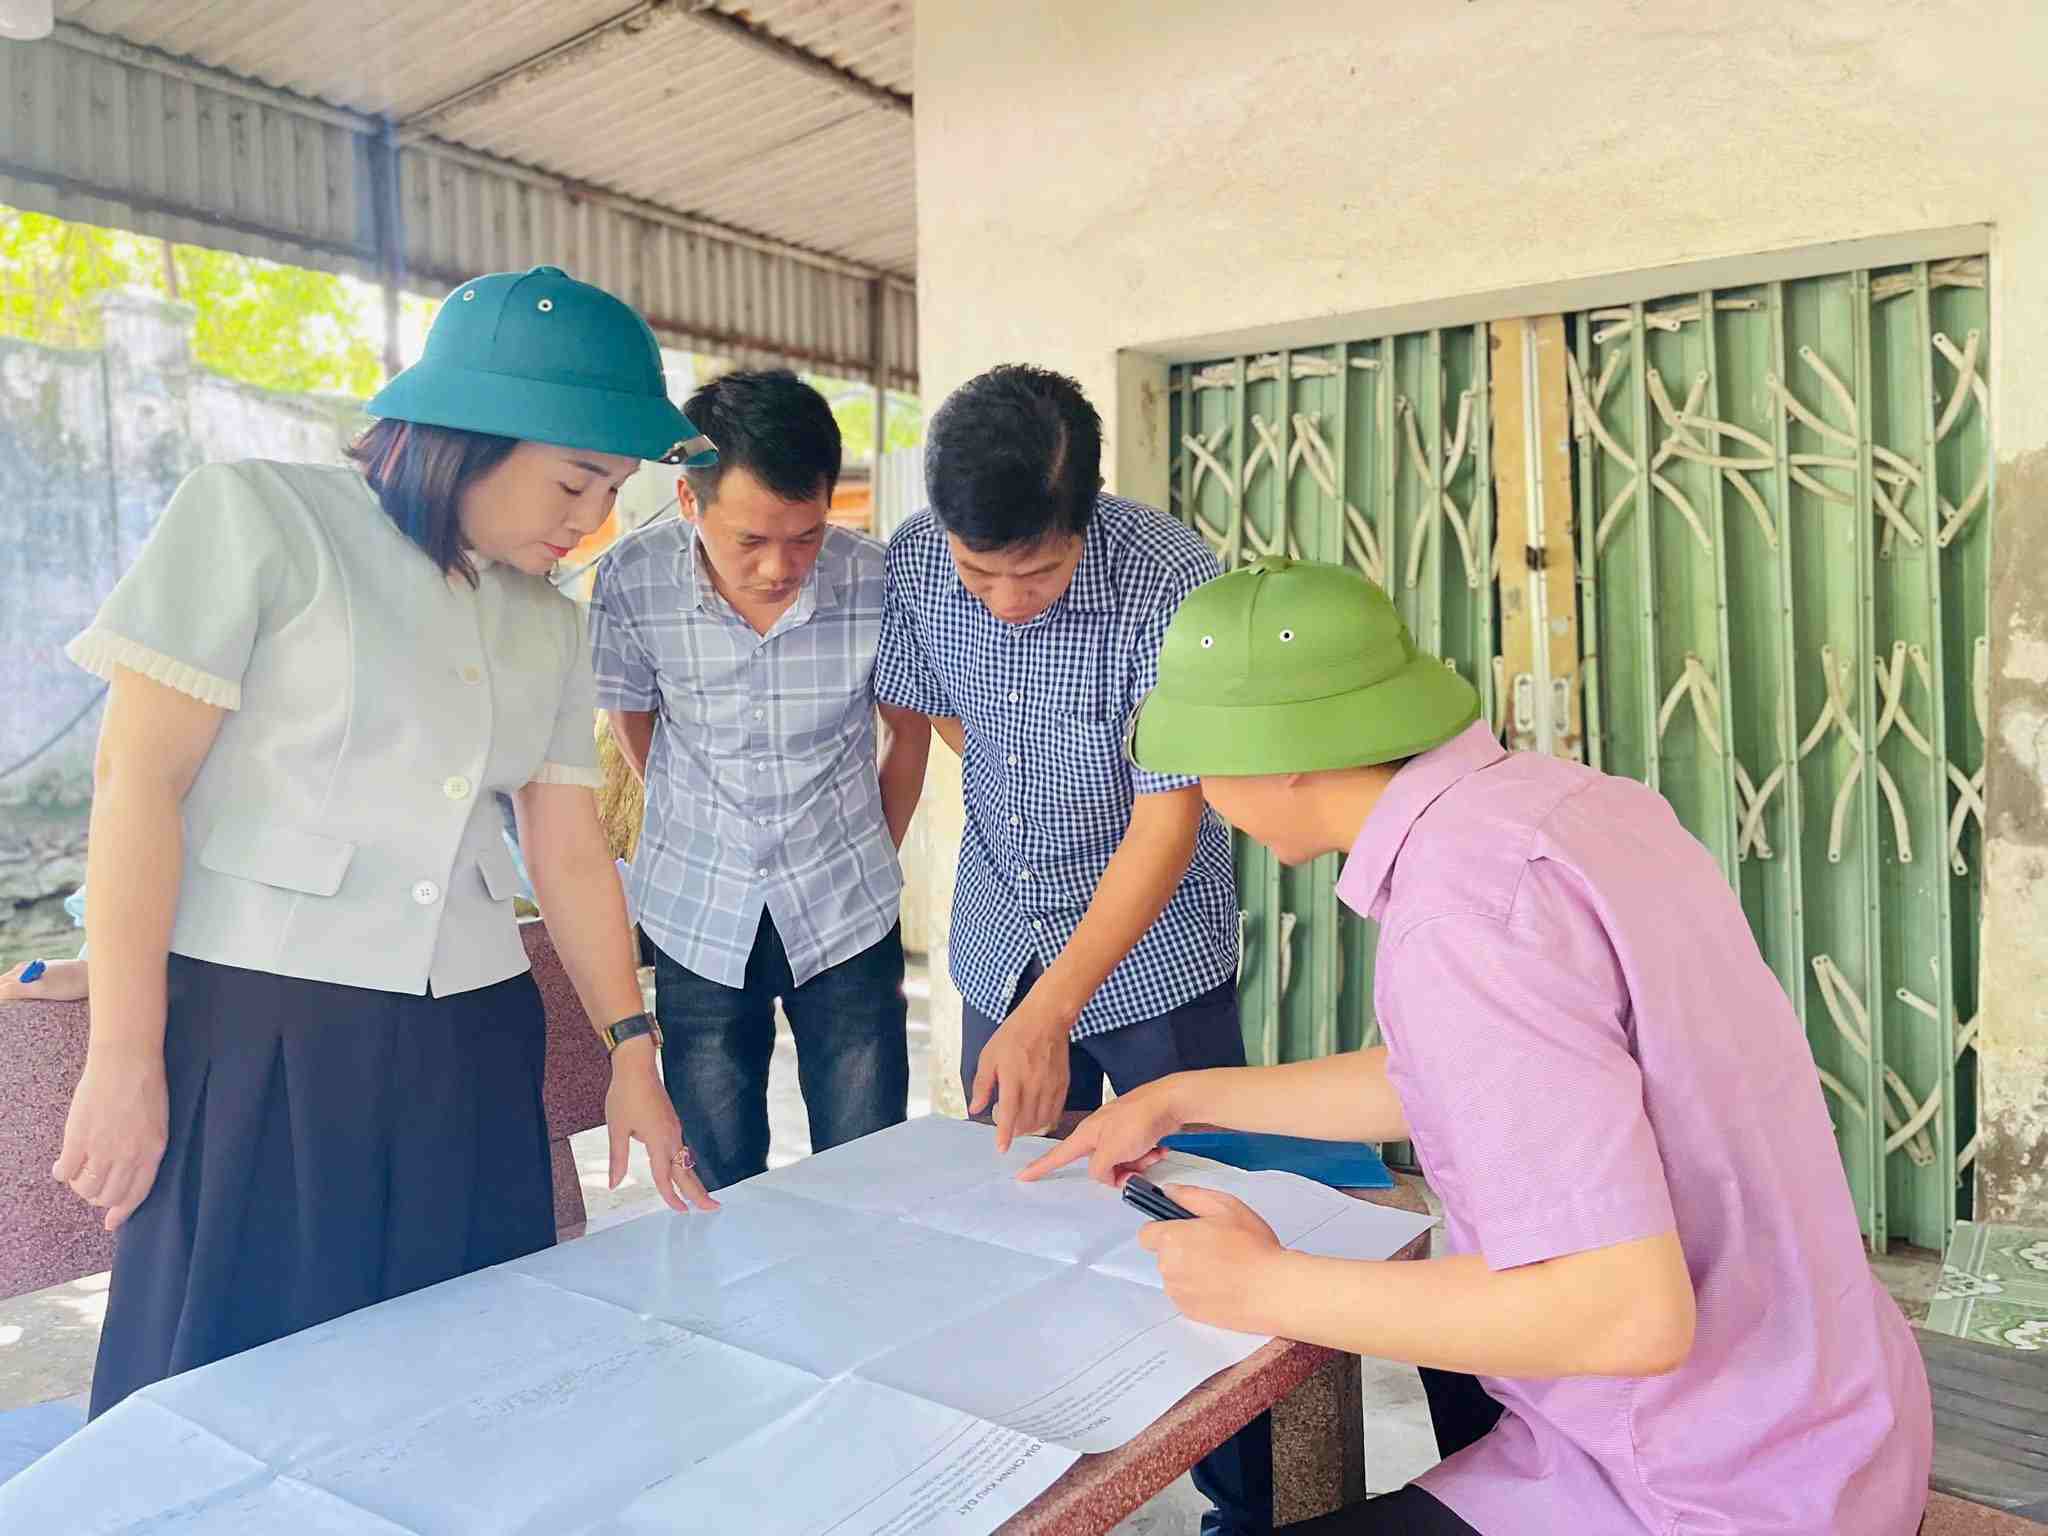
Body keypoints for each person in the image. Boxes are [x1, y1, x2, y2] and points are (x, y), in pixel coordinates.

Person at [1025, 557, 1934, 1536]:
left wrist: (1264, 1285)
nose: (1197, 793)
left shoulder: (1464, 913)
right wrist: (1180, 1097)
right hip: (1832, 1410)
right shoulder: (1567, 810)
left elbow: (1621, 1313)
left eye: (1200, 761)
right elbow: (1481, 1077)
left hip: (1697, 1482)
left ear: (1280, 754)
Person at [54, 264, 721, 1420]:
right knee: (230, 1383)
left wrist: (629, 1050)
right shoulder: (261, 516)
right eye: (575, 482)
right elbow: (136, 783)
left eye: (611, 490)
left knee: (458, 1380)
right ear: (470, 434)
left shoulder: (546, 622)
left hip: (468, 1034)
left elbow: (564, 849)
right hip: (264, 1031)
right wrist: (125, 1056)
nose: (591, 520)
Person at [872, 365, 1265, 1534]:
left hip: (1157, 972)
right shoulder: (908, 560)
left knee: (1199, 1225)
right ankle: (1027, 1498)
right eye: (975, 571)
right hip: (1001, 937)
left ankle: (1244, 1509)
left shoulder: (1172, 583)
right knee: (1013, 1232)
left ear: (1083, 520)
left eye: (1033, 572)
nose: (999, 600)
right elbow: (935, 712)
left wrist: (1054, 1010)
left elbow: (1168, 813)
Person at [591, 369, 929, 1191]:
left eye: (806, 535)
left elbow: (907, 735)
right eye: (750, 539)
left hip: (846, 908)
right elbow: (634, 724)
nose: (781, 566)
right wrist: (709, 816)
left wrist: (864, 847)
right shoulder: (632, 581)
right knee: (719, 1172)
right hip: (698, 909)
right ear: (688, 503)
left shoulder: (877, 579)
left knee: (867, 1167)